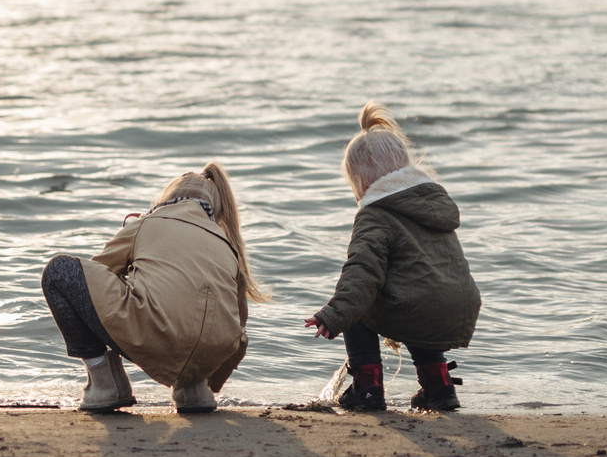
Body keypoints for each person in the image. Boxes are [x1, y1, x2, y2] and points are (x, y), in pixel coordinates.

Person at [303, 104, 481, 413]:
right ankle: (439, 386)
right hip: (458, 306)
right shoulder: (432, 204)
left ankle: (368, 387)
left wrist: (335, 314)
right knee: (420, 296)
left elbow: (361, 273)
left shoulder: (375, 215)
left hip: (419, 307)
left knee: (360, 306)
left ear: (360, 181)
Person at [39, 163, 259, 413]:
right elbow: (239, 322)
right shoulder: (228, 246)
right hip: (212, 357)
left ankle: (105, 383)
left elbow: (90, 282)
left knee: (60, 272)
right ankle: (195, 388)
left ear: (168, 197)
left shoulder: (146, 223)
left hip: (160, 339)